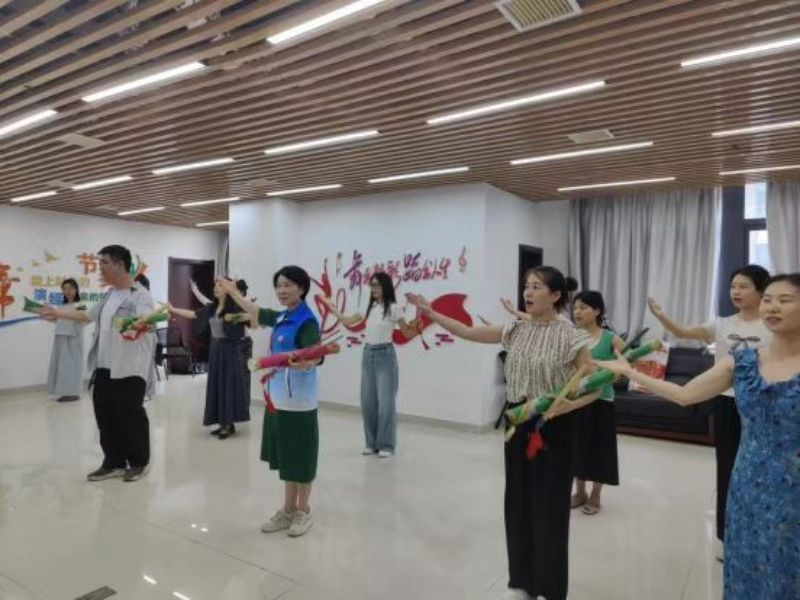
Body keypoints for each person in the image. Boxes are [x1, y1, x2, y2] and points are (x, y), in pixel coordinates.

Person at [598, 273, 799, 600]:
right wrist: (631, 372)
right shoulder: (741, 363)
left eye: (785, 300)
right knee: (749, 561)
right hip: (749, 483)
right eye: (768, 300)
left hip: (794, 485)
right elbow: (684, 395)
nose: (773, 307)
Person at [408, 266, 596, 600]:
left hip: (554, 426)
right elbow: (468, 331)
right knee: (518, 503)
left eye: (537, 287)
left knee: (550, 508)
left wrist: (569, 405)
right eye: (527, 286)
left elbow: (596, 386)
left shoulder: (572, 335)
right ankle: (521, 582)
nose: (528, 292)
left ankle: (550, 588)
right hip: (518, 422)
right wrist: (431, 313)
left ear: (555, 295)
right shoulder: (516, 329)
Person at [648, 264, 771, 554]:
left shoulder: (772, 324)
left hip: (761, 405)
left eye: (743, 286)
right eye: (733, 286)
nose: (736, 292)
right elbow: (684, 332)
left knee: (759, 470)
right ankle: (727, 537)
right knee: (727, 467)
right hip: (726, 401)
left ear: (761, 291)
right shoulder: (723, 324)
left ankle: (758, 534)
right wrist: (662, 316)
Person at [218, 266, 322, 537]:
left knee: (301, 459)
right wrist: (232, 292)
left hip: (299, 404)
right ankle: (288, 510)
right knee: (288, 458)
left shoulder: (306, 321)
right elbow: (255, 311)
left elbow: (315, 355)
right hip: (278, 400)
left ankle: (303, 510)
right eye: (279, 285)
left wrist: (306, 362)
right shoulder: (282, 316)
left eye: (288, 285)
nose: (282, 290)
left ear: (301, 288)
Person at [40, 245, 156, 482]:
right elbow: (88, 314)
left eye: (104, 263)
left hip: (129, 367)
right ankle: (113, 462)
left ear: (120, 265)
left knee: (131, 416)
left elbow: (149, 320)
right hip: (104, 366)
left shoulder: (140, 294)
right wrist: (58, 313)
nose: (100, 267)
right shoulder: (109, 294)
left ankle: (138, 462)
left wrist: (141, 322)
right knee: (105, 416)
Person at [322, 272, 416, 457]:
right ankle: (371, 443)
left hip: (385, 356)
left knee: (386, 404)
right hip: (368, 355)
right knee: (368, 402)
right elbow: (348, 321)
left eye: (377, 285)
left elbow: (407, 332)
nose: (373, 288)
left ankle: (386, 445)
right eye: (372, 284)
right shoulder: (368, 307)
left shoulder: (394, 308)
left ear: (385, 286)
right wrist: (332, 308)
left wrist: (416, 327)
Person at [166, 278, 251, 439]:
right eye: (215, 285)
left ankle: (227, 424)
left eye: (220, 285)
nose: (216, 288)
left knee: (227, 386)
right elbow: (192, 314)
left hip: (230, 351)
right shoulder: (212, 307)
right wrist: (173, 309)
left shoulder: (234, 307)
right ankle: (223, 422)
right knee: (217, 386)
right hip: (216, 350)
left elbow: (250, 316)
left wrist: (242, 311)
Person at [570, 291, 624, 515]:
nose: (577, 312)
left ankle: (596, 496)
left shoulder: (610, 338)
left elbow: (628, 362)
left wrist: (617, 372)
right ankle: (580, 492)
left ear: (597, 311)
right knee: (576, 448)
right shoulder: (572, 336)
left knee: (599, 449)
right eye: (575, 308)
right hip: (575, 401)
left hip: (601, 401)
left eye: (583, 308)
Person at [46, 278, 86, 403]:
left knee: (72, 367)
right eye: (64, 289)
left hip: (73, 339)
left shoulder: (80, 304)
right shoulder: (61, 305)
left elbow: (84, 319)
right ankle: (64, 391)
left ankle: (74, 393)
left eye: (70, 288)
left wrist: (64, 315)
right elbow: (58, 320)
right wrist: (47, 316)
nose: (67, 291)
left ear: (76, 290)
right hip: (60, 337)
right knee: (61, 367)